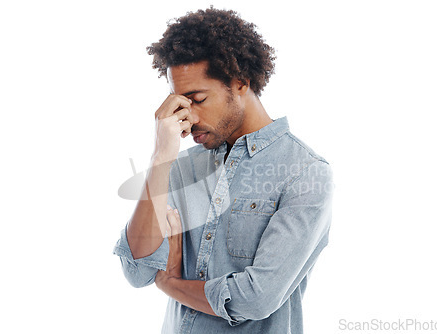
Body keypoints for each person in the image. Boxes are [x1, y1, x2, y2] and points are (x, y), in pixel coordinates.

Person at [112, 7, 333, 333]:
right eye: (179, 103)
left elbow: (256, 299)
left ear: (240, 82)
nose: (188, 117)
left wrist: (172, 283)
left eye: (197, 99)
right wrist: (160, 157)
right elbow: (137, 270)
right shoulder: (181, 167)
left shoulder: (304, 173)